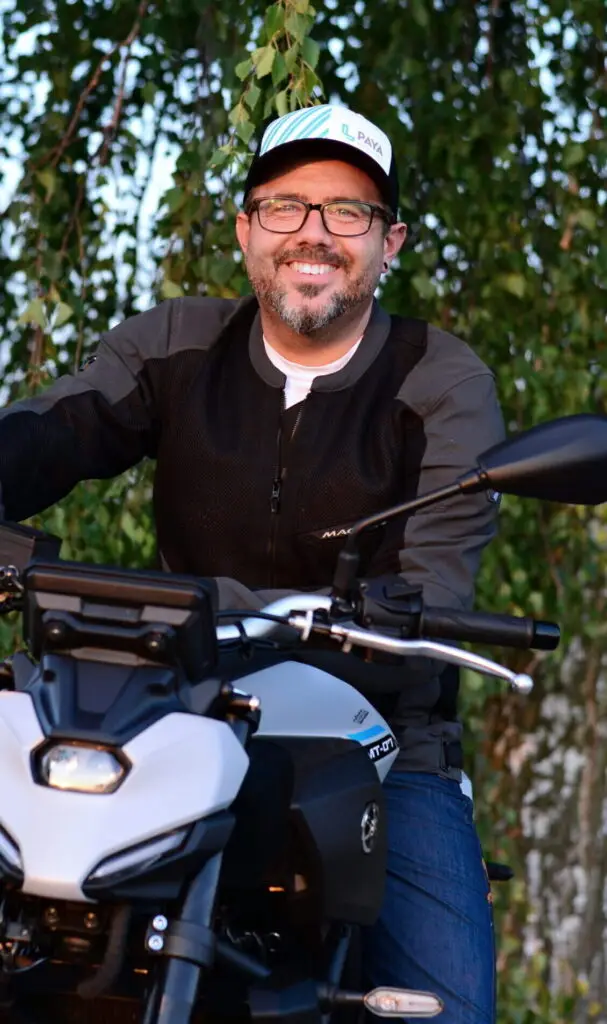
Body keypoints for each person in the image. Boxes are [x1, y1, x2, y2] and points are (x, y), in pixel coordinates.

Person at [0, 103, 504, 1021]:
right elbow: (51, 433)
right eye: (284, 206)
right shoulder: (174, 343)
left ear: (387, 242)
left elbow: (432, 582)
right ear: (245, 231)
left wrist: (231, 604)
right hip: (175, 712)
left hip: (379, 737)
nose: (313, 233)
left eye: (346, 211)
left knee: (446, 1005)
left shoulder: (441, 380)